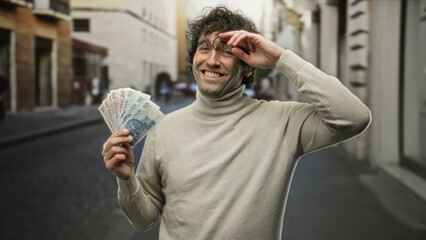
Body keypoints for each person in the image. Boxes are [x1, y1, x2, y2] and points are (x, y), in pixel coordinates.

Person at [101, 6, 371, 239]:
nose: (212, 60)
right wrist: (126, 180)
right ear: (193, 59)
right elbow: (143, 220)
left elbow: (353, 117)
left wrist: (280, 59)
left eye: (226, 52)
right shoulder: (164, 130)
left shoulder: (282, 121)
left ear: (248, 66)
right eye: (204, 49)